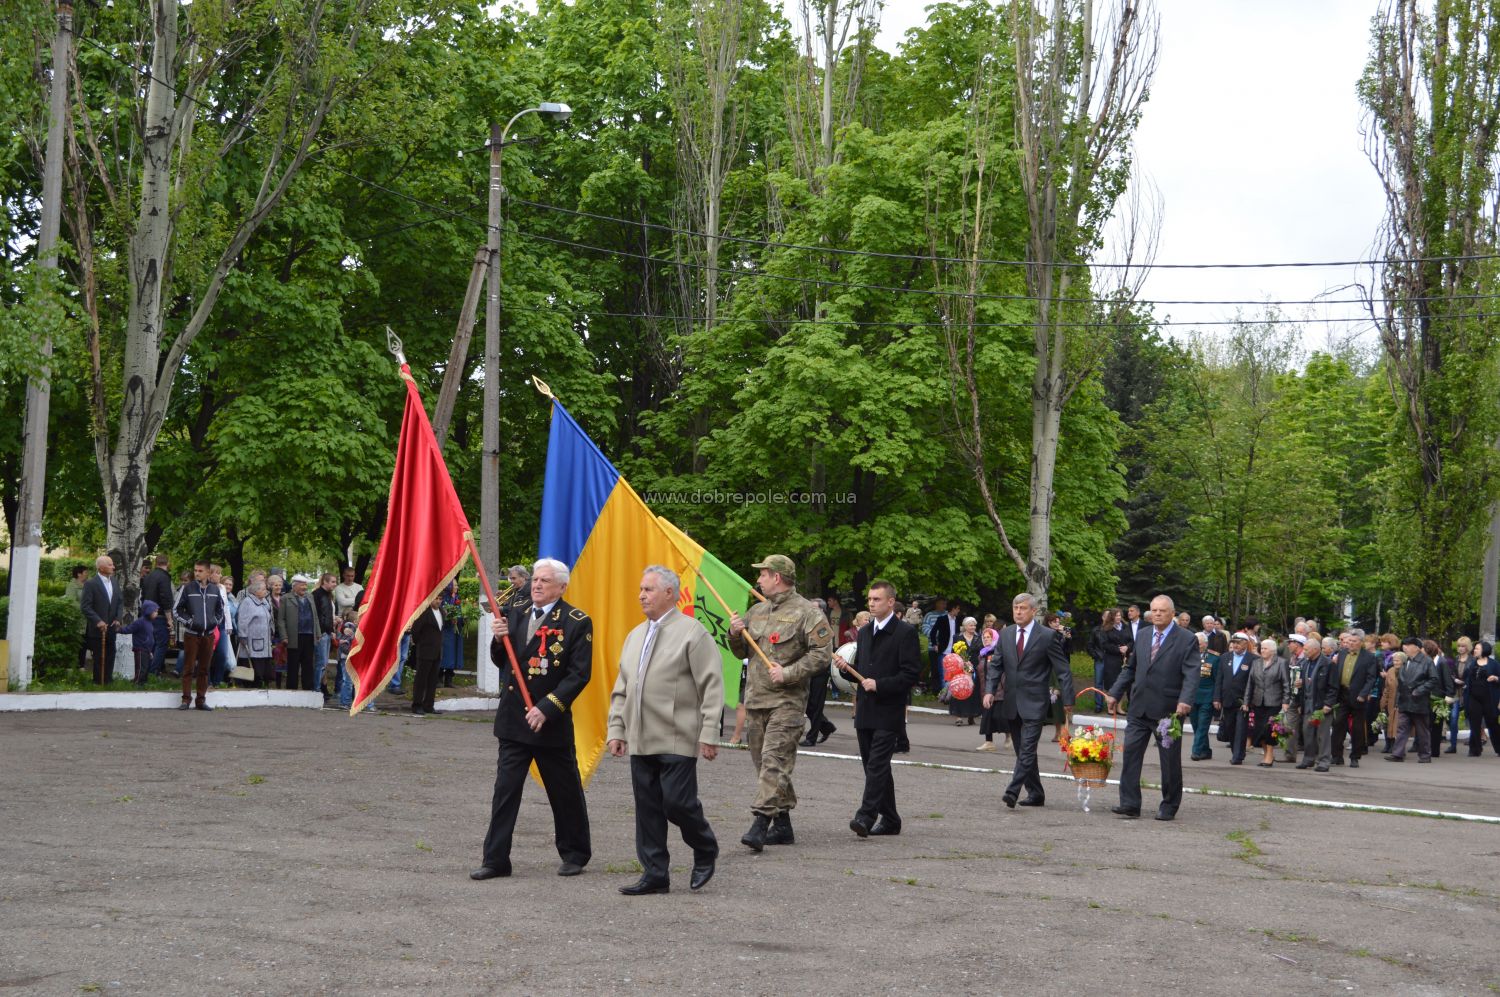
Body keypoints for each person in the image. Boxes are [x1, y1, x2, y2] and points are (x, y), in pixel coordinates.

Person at [472, 558, 593, 881]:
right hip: (514, 720)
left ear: (562, 587)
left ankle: (575, 853)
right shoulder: (517, 612)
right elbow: (504, 662)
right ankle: (496, 859)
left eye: (544, 581)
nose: (536, 585)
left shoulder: (576, 622)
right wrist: (498, 639)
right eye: (535, 580)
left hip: (549, 722)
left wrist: (547, 707)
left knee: (564, 791)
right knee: (505, 791)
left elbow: (579, 675)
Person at [607, 566, 724, 895]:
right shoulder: (634, 636)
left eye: (649, 589)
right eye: (641, 589)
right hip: (640, 737)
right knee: (647, 810)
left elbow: (712, 686)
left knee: (677, 803)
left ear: (670, 594)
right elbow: (622, 688)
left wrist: (710, 733)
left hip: (677, 736)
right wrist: (617, 729)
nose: (641, 595)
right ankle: (655, 873)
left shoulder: (692, 632)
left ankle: (704, 847)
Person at [727, 554, 832, 851]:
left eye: (762, 574)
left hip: (787, 703)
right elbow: (739, 653)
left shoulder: (807, 613)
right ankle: (783, 826)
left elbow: (822, 655)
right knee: (766, 765)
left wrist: (788, 673)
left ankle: (760, 823)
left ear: (777, 577)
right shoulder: (757, 611)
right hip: (757, 700)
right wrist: (735, 633)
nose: (758, 579)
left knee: (774, 762)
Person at [834, 579, 920, 837]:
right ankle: (891, 819)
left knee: (877, 766)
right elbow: (862, 672)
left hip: (889, 710)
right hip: (866, 711)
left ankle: (866, 815)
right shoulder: (865, 632)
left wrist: (880, 684)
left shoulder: (905, 632)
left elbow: (911, 674)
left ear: (891, 602)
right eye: (870, 599)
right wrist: (846, 669)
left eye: (877, 599)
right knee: (874, 767)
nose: (871, 603)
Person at [1105, 594, 1197, 821]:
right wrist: (1115, 693)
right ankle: (1129, 804)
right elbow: (1130, 668)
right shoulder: (1144, 634)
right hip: (1139, 706)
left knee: (1169, 761)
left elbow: (1192, 672)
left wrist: (1185, 700)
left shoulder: (1186, 638)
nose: (1157, 614)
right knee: (1131, 756)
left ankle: (1169, 804)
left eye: (1162, 611)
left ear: (1172, 614)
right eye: (1154, 610)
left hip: (1168, 711)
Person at [983, 592, 1074, 810]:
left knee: (1027, 748)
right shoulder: (1006, 635)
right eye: (1015, 608)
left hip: (1035, 701)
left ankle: (1012, 791)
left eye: (1023, 608)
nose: (1018, 612)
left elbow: (1063, 670)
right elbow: (996, 665)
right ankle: (1036, 793)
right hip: (1012, 701)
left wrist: (1068, 699)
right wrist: (989, 690)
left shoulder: (1047, 636)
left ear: (1033, 611)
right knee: (1023, 751)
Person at [172, 560, 224, 710]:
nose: (197, 573)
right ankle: (186, 700)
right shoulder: (187, 588)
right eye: (195, 570)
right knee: (188, 668)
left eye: (200, 571)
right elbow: (177, 610)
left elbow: (220, 610)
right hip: (192, 635)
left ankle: (201, 700)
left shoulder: (215, 590)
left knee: (204, 669)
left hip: (208, 635)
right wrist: (190, 622)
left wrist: (214, 622)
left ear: (208, 572)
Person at [1330, 628, 1380, 767]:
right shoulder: (1342, 654)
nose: (1350, 643)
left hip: (1358, 696)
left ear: (1361, 642)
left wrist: (1363, 694)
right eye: (1349, 641)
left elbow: (1371, 678)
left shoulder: (1369, 657)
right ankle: (1336, 756)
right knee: (1338, 724)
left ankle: (1355, 756)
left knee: (1357, 728)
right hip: (1342, 695)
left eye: (1354, 641)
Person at [1385, 638, 1438, 762]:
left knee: (1422, 730)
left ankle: (1425, 755)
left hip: (1419, 702)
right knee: (1402, 728)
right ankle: (1398, 754)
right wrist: (1398, 700)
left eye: (1408, 645)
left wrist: (1419, 690)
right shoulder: (1406, 661)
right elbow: (1401, 683)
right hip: (1404, 701)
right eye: (1405, 644)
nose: (1405, 647)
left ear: (1417, 647)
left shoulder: (1427, 661)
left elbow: (1434, 679)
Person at [1294, 631, 1338, 772]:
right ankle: (1308, 759)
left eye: (1306, 649)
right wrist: (1300, 689)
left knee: (1322, 735)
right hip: (1307, 704)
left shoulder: (1328, 664)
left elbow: (1333, 687)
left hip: (1321, 705)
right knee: (1308, 733)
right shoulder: (1305, 663)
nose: (1304, 652)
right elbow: (1304, 683)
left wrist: (1328, 704)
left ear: (1315, 650)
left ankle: (1324, 761)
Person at [1244, 638, 1290, 768]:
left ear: (1273, 651)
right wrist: (1246, 701)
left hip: (1274, 702)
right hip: (1258, 702)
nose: (1262, 650)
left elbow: (1286, 684)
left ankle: (1269, 756)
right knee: (1259, 730)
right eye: (1261, 648)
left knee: (1269, 729)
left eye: (1265, 648)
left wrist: (1286, 701)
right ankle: (1266, 754)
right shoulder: (1256, 663)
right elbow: (1250, 683)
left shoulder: (1281, 663)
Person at [801, 597, 838, 746]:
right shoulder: (808, 624)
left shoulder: (823, 627)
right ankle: (826, 727)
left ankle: (812, 737)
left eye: (814, 608)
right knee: (808, 704)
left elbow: (822, 649)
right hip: (808, 668)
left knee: (815, 705)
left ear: (822, 611)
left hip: (819, 670)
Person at [80, 557, 123, 684]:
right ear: (101, 568)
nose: (113, 567)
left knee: (110, 655)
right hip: (98, 628)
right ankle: (98, 682)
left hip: (111, 626)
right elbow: (85, 606)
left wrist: (118, 618)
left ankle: (108, 681)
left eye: (112, 564)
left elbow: (119, 602)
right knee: (99, 656)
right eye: (110, 565)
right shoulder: (91, 584)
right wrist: (97, 621)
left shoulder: (114, 582)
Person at [1214, 632, 1254, 764]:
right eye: (1233, 642)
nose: (1235, 645)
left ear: (1245, 644)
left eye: (1238, 643)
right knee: (1230, 728)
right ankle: (1235, 752)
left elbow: (1253, 682)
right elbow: (1219, 679)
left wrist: (1249, 700)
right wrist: (1217, 698)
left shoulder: (1252, 659)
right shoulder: (1225, 657)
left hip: (1243, 701)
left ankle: (1238, 756)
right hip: (1227, 699)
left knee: (1241, 729)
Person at [278, 576, 323, 693]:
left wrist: (318, 633)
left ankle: (307, 690)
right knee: (293, 664)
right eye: (302, 585)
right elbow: (281, 619)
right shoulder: (286, 598)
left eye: (305, 585)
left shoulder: (310, 597)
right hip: (294, 636)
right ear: (294, 586)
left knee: (308, 664)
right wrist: (284, 636)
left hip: (309, 635)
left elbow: (315, 616)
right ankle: (291, 691)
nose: (304, 587)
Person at [1461, 641, 1500, 757]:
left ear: (1484, 650)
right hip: (1473, 698)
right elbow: (1466, 678)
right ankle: (1475, 749)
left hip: (1489, 698)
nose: (1475, 650)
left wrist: (1496, 678)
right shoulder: (1472, 664)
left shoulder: (1494, 664)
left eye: (1477, 648)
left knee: (1492, 723)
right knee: (1474, 724)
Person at [408, 593, 444, 716]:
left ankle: (429, 705)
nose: (438, 601)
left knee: (432, 680)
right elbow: (415, 630)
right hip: (424, 650)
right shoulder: (424, 613)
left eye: (440, 599)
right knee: (421, 680)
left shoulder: (442, 612)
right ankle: (417, 704)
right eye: (436, 599)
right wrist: (421, 644)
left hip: (437, 651)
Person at [237, 579, 276, 688]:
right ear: (255, 591)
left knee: (263, 669)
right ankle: (251, 687)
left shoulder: (264, 602)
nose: (266, 591)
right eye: (263, 589)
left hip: (264, 643)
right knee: (253, 668)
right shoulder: (247, 602)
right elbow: (242, 620)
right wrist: (242, 636)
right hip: (251, 643)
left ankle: (260, 686)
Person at [1188, 631, 1220, 761]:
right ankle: (1206, 751)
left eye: (1199, 643)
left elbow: (1218, 680)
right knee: (1196, 725)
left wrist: (1216, 698)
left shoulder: (1214, 658)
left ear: (1205, 644)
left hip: (1207, 697)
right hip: (1191, 697)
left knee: (1202, 725)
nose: (1197, 645)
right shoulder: (1189, 655)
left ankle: (1196, 751)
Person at [1088, 609, 1128, 712]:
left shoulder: (1117, 628)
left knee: (1112, 681)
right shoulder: (1096, 630)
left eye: (1109, 615)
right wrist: (1096, 655)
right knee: (1099, 682)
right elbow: (1090, 645)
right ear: (1103, 617)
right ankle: (1098, 706)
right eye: (1106, 615)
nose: (1108, 617)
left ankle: (1113, 706)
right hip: (1100, 659)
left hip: (1112, 659)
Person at [141, 555, 173, 678]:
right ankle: (153, 672)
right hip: (159, 615)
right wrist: (169, 619)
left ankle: (147, 670)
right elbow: (166, 599)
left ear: (156, 563)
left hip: (148, 615)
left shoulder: (148, 577)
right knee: (162, 644)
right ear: (167, 563)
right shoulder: (164, 577)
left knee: (151, 644)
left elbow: (143, 597)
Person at [947, 616, 983, 726]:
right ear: (965, 626)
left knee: (973, 691)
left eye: (974, 625)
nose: (973, 627)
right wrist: (964, 662)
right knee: (960, 690)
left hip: (975, 667)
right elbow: (954, 652)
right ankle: (958, 716)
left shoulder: (979, 638)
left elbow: (981, 652)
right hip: (961, 667)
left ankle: (971, 716)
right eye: (971, 625)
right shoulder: (957, 637)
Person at [122, 600, 160, 686]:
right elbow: (129, 629)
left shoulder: (150, 623)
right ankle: (137, 683)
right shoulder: (140, 622)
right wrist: (119, 630)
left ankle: (143, 682)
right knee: (141, 668)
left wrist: (150, 651)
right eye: (155, 611)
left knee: (146, 667)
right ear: (149, 611)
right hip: (140, 649)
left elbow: (150, 637)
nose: (157, 613)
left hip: (147, 650)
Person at [313, 573, 338, 695]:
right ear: (325, 582)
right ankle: (316, 689)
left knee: (324, 663)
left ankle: (320, 688)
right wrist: (321, 631)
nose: (335, 584)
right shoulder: (317, 595)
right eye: (333, 581)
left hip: (327, 632)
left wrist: (331, 630)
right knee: (321, 662)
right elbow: (317, 616)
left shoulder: (328, 595)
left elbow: (328, 616)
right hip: (321, 633)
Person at [1449, 635, 1473, 754]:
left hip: (1468, 693)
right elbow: (1451, 673)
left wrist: (1465, 683)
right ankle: (1453, 746)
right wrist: (1454, 680)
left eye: (1463, 646)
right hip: (1456, 693)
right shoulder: (1455, 659)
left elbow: (1473, 677)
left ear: (1468, 647)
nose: (1460, 648)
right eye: (1459, 646)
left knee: (1471, 720)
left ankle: (1473, 746)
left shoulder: (1472, 660)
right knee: (1453, 719)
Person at [64, 564, 91, 671]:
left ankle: (81, 666)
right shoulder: (71, 586)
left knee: (84, 643)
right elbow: (71, 601)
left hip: (87, 619)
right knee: (75, 642)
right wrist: (85, 609)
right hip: (76, 619)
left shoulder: (88, 585)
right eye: (85, 573)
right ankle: (70, 666)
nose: (87, 575)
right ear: (79, 574)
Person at [440, 578, 464, 688]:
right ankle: (439, 678)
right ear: (449, 586)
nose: (457, 587)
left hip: (456, 631)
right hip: (447, 630)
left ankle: (449, 680)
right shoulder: (444, 598)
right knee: (445, 653)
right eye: (455, 585)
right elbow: (441, 613)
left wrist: (462, 619)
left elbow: (459, 612)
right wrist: (449, 618)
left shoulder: (456, 598)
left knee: (454, 653)